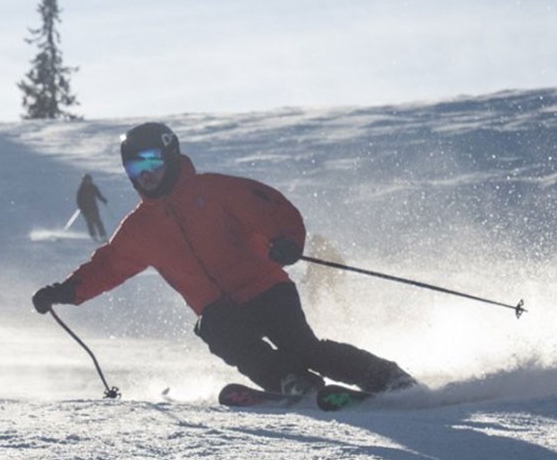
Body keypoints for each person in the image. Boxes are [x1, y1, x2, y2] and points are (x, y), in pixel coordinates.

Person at [32, 122, 415, 398]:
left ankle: (387, 378)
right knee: (218, 332)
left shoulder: (214, 191)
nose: (145, 174)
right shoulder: (140, 227)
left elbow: (272, 207)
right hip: (220, 309)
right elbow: (109, 265)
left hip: (266, 288)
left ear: (170, 155)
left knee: (304, 349)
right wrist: (65, 291)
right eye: (135, 168)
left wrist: (287, 241)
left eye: (151, 162)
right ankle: (292, 383)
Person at [75, 173, 108, 242]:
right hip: (86, 209)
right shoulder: (81, 189)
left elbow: (98, 195)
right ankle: (94, 235)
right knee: (90, 223)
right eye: (86, 180)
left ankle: (103, 236)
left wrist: (103, 199)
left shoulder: (93, 187)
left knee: (98, 222)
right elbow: (79, 200)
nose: (88, 182)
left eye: (89, 180)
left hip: (93, 207)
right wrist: (81, 207)